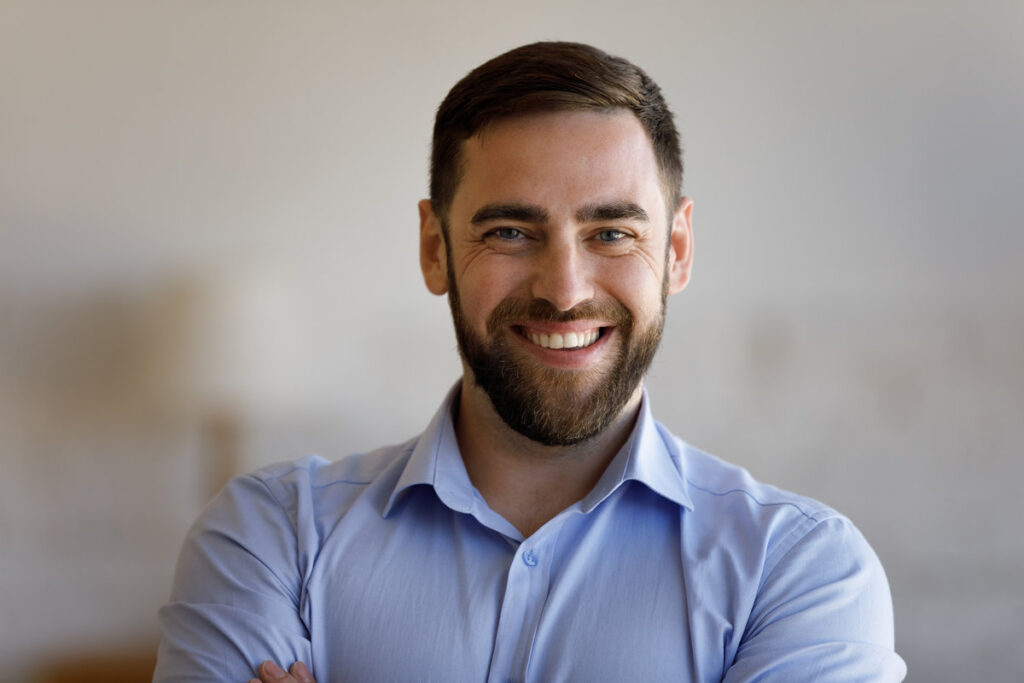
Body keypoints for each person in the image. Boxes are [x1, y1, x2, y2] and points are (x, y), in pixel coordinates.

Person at [154, 42, 906, 682]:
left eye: (612, 232)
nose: (564, 290)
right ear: (433, 247)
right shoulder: (270, 537)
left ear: (676, 250)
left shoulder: (800, 572)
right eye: (511, 231)